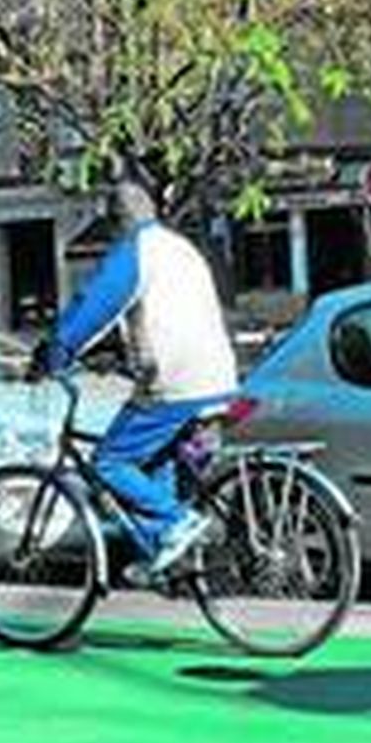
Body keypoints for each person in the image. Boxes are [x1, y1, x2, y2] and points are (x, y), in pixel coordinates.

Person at [39, 181, 240, 579]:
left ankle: (177, 521)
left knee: (109, 462)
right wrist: (119, 352)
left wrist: (56, 352)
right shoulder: (182, 248)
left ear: (118, 221)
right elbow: (165, 311)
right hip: (217, 373)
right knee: (152, 463)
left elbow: (94, 306)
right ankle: (165, 559)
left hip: (175, 380)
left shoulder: (136, 250)